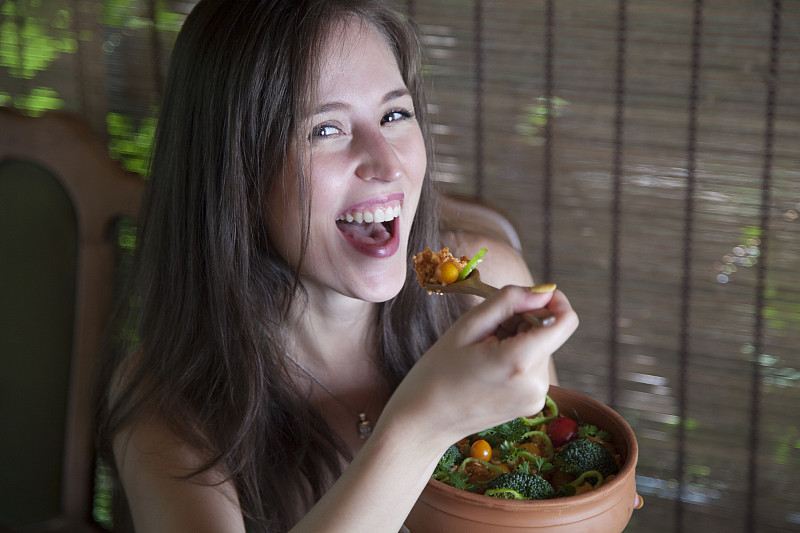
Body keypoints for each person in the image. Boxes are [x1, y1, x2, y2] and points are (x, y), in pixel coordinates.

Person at [95, 0, 581, 531]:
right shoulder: (166, 396)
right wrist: (423, 424)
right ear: (237, 170)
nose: (388, 163)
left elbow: (549, 500)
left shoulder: (481, 287)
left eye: (394, 115)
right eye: (326, 129)